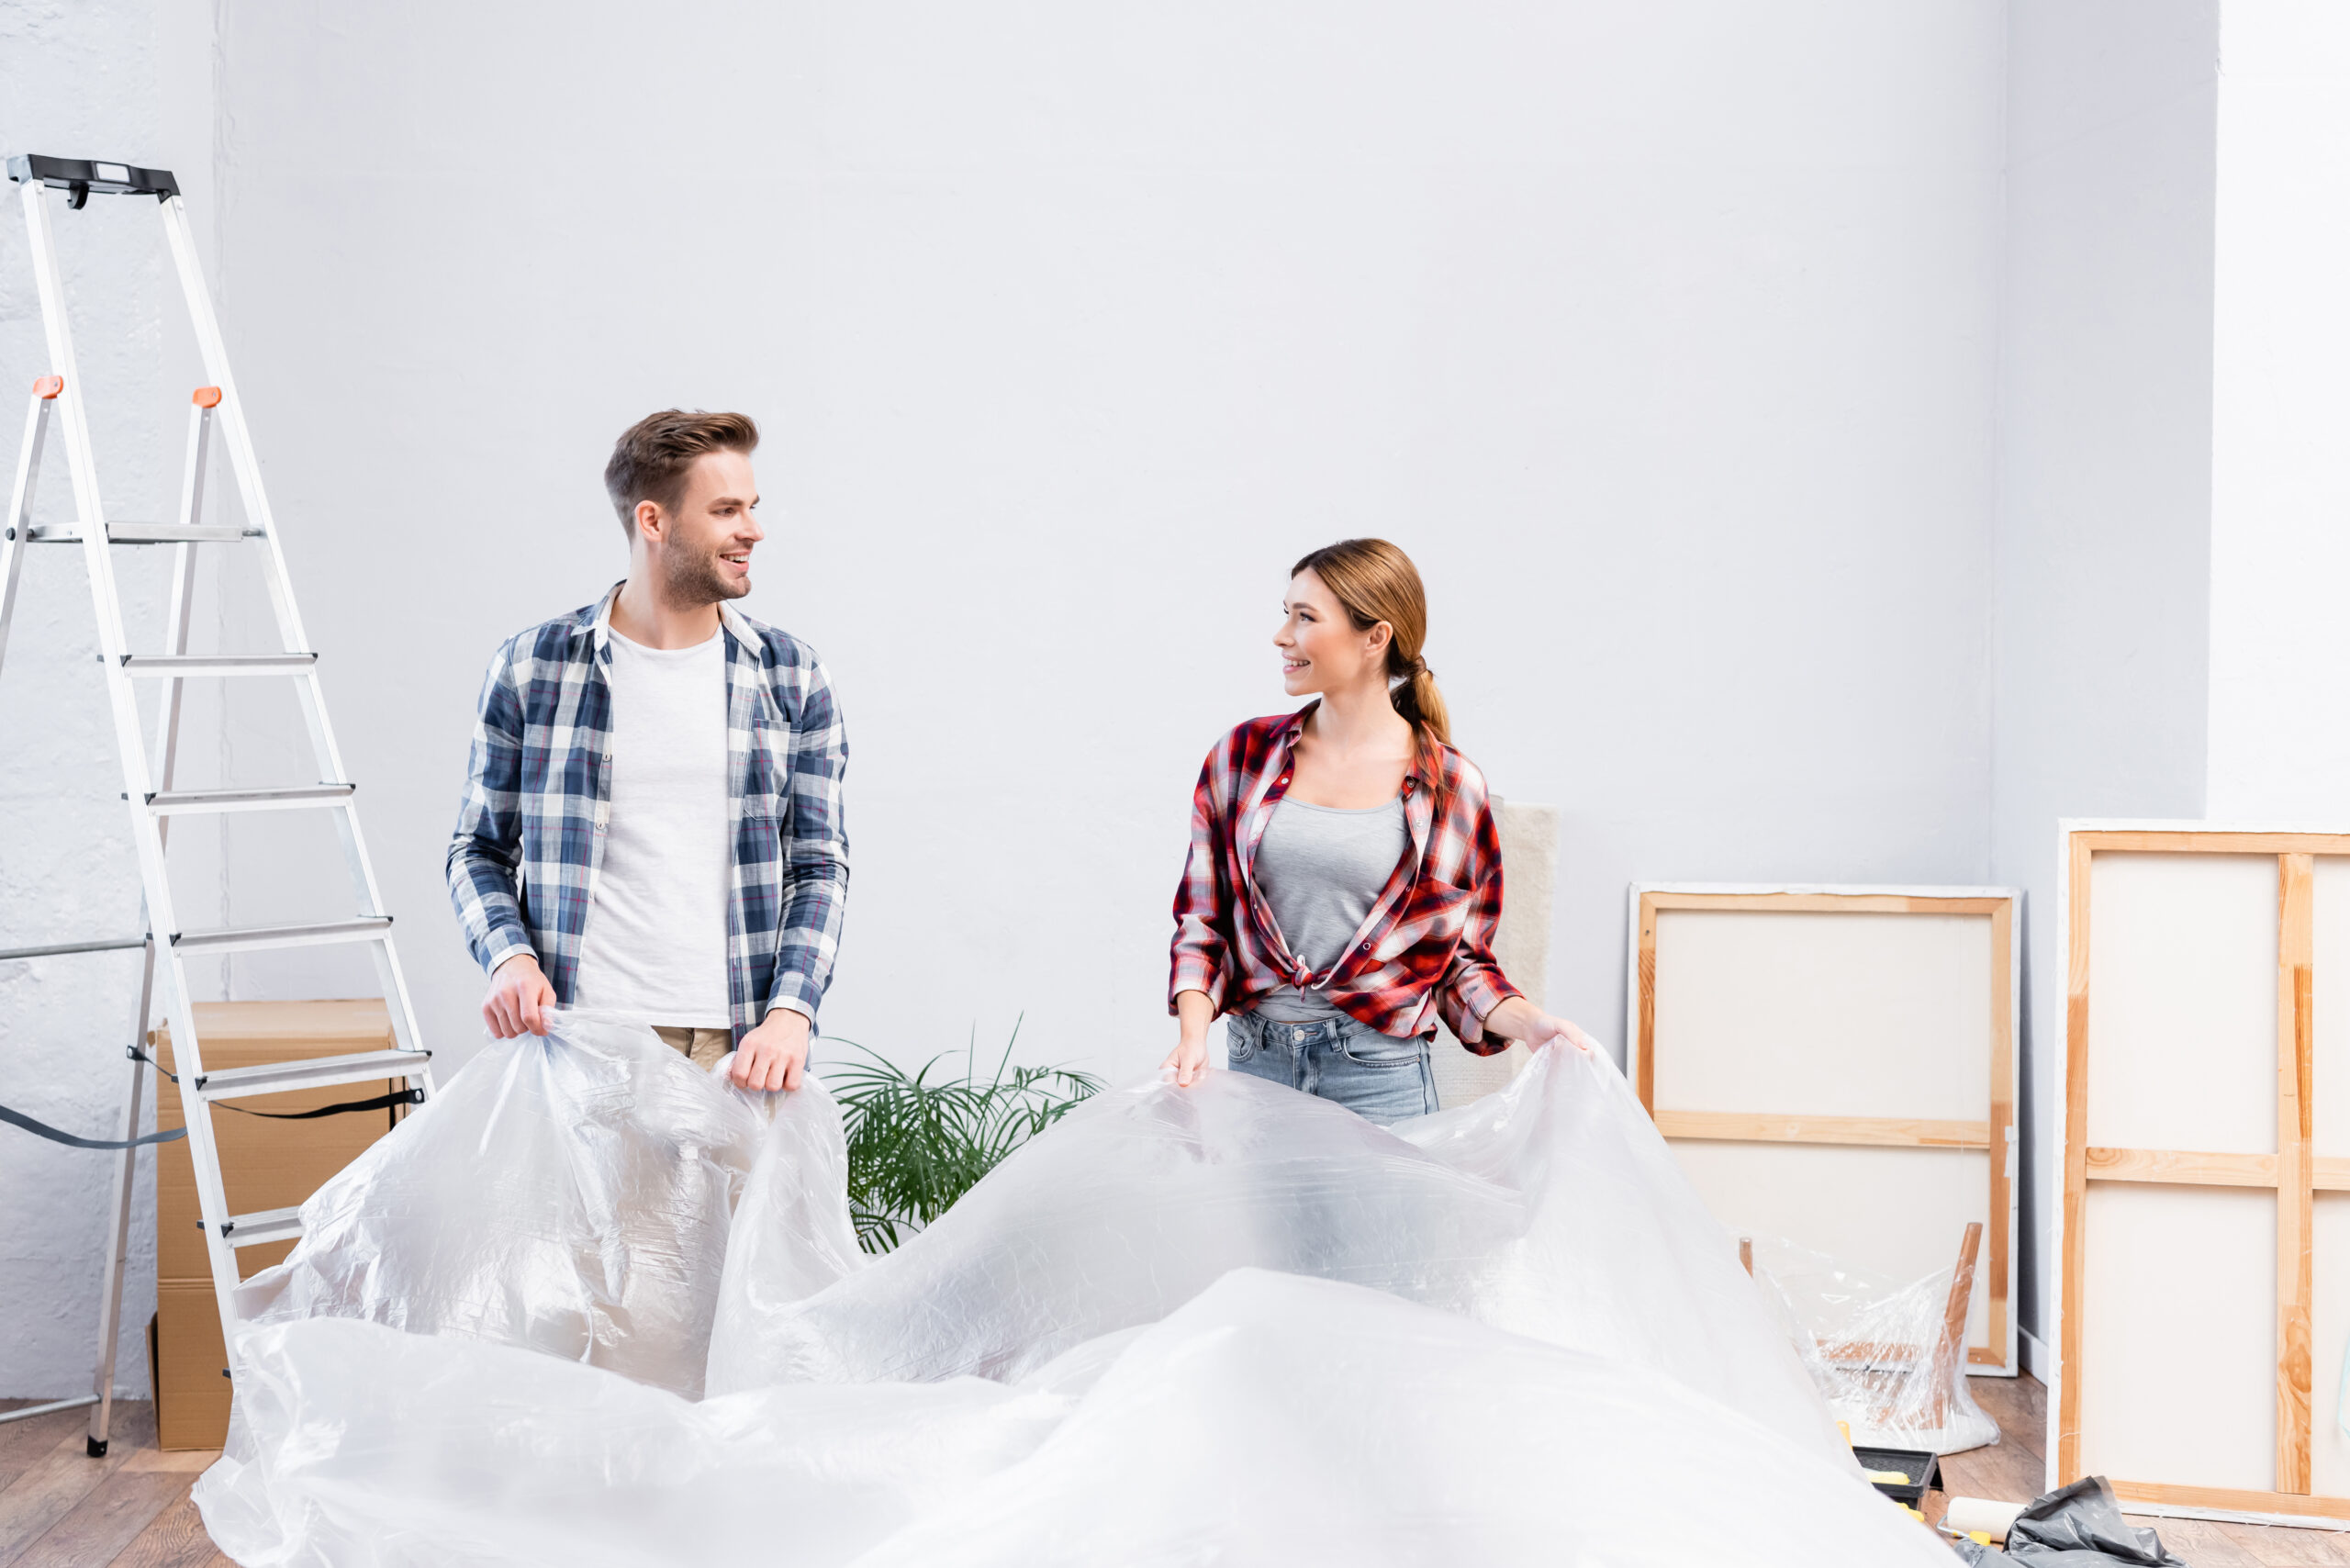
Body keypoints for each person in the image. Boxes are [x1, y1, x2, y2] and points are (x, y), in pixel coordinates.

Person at [447, 409, 847, 1093]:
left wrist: (791, 1012)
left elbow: (817, 865)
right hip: (583, 1044)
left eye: (751, 507)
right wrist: (509, 959)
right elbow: (477, 849)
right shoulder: (534, 667)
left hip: (740, 1052)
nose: (752, 529)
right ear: (653, 521)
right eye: (726, 510)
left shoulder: (791, 675)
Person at [1161, 538, 1593, 1123]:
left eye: (1305, 617)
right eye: (1285, 612)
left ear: (1375, 637)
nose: (1281, 635)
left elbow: (1459, 964)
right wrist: (1193, 1035)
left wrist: (1532, 1022)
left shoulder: (1450, 785)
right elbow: (1202, 919)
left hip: (1379, 1078)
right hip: (1256, 1070)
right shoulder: (1242, 757)